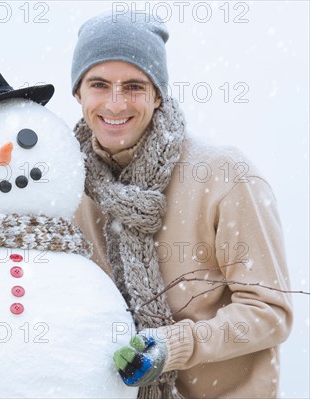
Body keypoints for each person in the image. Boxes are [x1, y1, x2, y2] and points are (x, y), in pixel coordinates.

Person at [70, 10, 293, 398]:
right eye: (99, 84)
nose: (116, 103)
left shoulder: (225, 176)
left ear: (158, 94)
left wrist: (174, 346)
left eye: (135, 86)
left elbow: (269, 313)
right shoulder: (67, 185)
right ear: (79, 93)